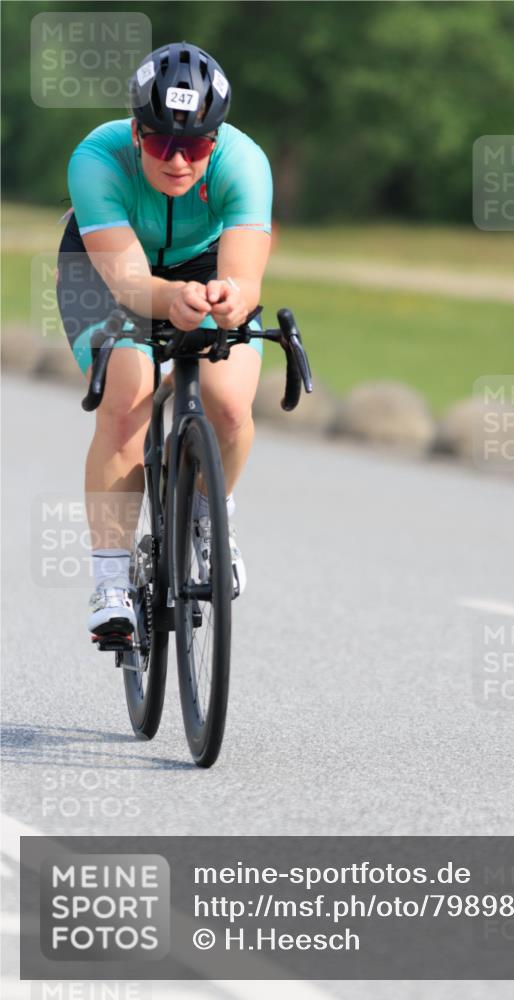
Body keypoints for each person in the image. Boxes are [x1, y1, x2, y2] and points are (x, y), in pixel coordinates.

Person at [56, 42, 272, 640]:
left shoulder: (245, 161)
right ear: (135, 132)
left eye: (197, 145)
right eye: (160, 143)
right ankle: (110, 582)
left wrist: (231, 299)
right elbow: (128, 280)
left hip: (203, 267)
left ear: (217, 139)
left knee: (229, 404)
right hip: (105, 275)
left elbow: (245, 278)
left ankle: (209, 517)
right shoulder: (96, 159)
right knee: (129, 397)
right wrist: (168, 303)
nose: (178, 162)